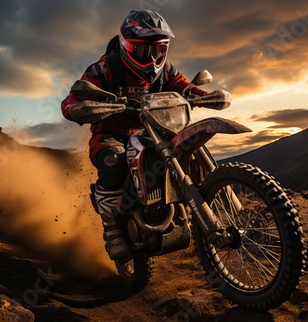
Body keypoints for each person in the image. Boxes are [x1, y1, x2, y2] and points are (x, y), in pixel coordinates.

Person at [61, 10, 207, 260]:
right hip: (111, 135)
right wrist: (77, 108)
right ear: (126, 45)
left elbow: (184, 85)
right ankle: (113, 229)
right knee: (113, 163)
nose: (152, 58)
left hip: (158, 132)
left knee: (188, 146)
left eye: (158, 51)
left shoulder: (167, 70)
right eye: (143, 51)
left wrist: (202, 94)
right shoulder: (104, 68)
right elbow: (74, 98)